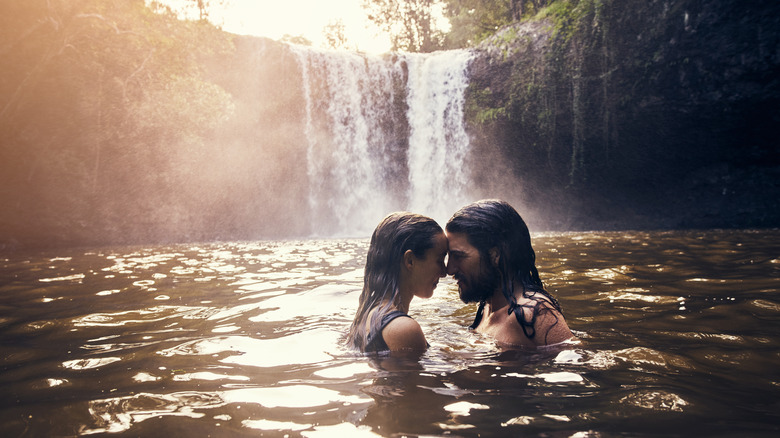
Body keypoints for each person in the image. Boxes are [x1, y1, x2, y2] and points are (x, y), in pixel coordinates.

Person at [445, 199, 573, 349]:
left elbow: (579, 363)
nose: (449, 270)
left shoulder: (533, 313)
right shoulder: (488, 308)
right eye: (448, 257)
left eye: (458, 256)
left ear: (495, 255)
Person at [347, 212, 448, 353]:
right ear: (410, 261)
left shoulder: (367, 315)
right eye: (440, 260)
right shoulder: (403, 328)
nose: (444, 272)